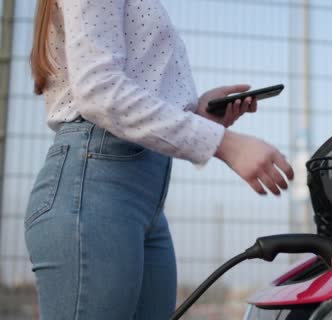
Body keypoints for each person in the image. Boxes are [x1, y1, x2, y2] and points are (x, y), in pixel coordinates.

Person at [25, 0, 294, 319]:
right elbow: (98, 91)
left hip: (141, 198)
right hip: (94, 185)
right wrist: (225, 144)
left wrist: (196, 113)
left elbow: (124, 86)